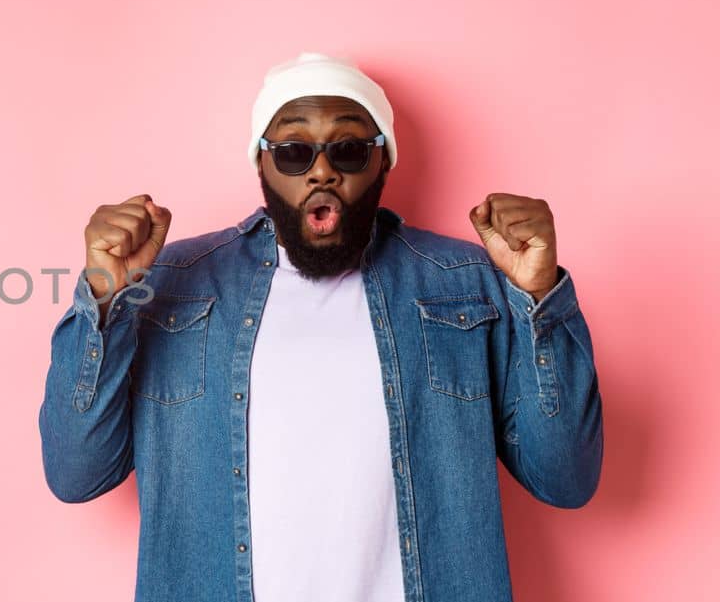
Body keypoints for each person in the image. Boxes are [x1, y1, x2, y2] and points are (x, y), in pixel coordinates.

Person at [37, 52, 604, 602]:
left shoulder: (465, 281)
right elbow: (77, 473)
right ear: (261, 163)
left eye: (351, 149)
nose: (322, 170)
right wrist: (109, 300)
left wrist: (537, 295)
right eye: (293, 151)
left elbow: (565, 479)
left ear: (384, 162)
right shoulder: (171, 283)